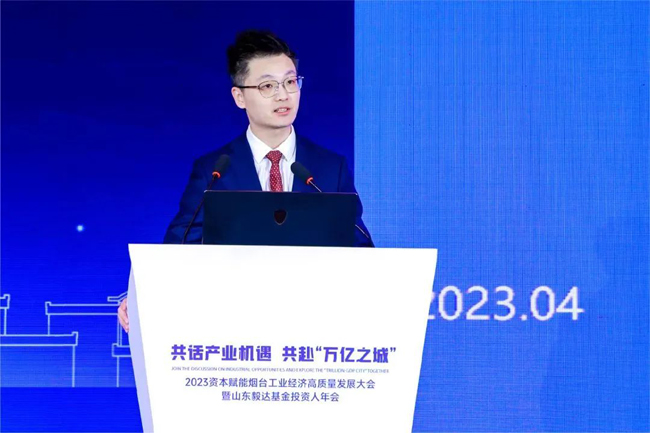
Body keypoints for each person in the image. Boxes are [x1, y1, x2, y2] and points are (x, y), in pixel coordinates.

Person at [118, 30, 372, 332]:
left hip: (314, 323)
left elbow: (359, 248)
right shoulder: (214, 170)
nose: (283, 95)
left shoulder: (330, 168)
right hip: (235, 325)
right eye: (268, 86)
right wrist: (145, 294)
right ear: (239, 97)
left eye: (291, 82)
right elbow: (180, 246)